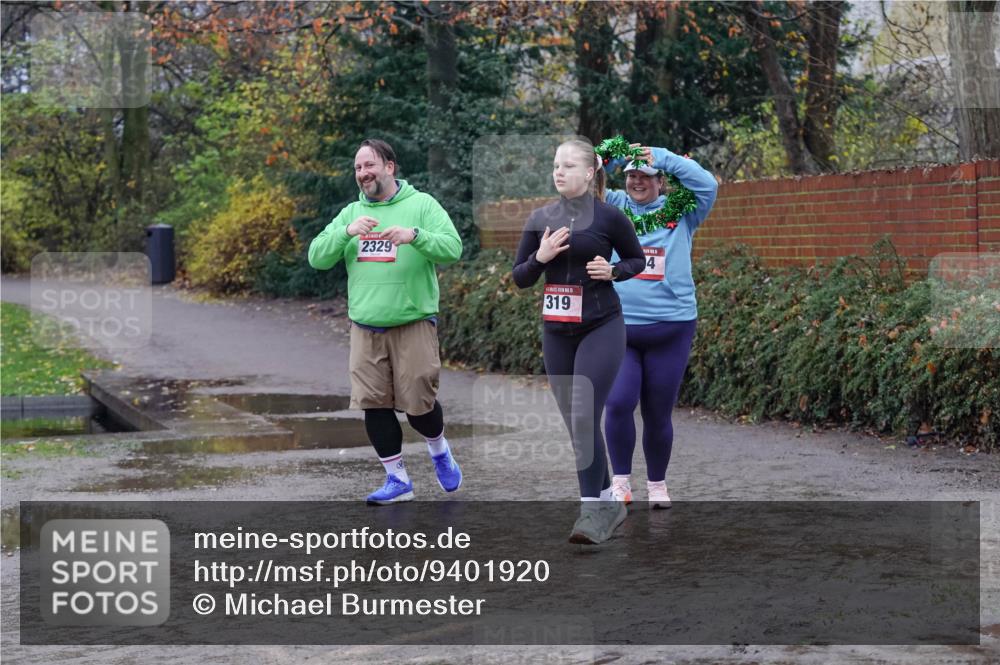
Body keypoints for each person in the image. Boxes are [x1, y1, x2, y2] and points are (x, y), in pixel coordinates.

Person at [308, 138, 463, 505]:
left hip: (413, 322)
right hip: (366, 327)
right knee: (374, 404)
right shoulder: (351, 213)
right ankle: (397, 480)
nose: (363, 173)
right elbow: (316, 257)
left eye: (369, 165)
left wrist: (415, 236)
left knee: (419, 404)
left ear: (389, 167)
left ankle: (439, 450)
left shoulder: (421, 205)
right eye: (358, 168)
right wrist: (346, 232)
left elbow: (453, 248)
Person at [512, 138, 646, 544]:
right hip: (556, 332)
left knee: (585, 414)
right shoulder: (540, 218)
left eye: (569, 166)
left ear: (589, 173)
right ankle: (608, 502)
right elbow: (520, 277)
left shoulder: (609, 217)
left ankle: (591, 511)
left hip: (601, 326)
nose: (559, 171)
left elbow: (637, 259)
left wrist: (614, 271)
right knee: (577, 423)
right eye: (556, 165)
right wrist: (541, 257)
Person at [602, 143, 718, 508]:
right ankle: (621, 482)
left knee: (657, 411)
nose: (637, 182)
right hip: (619, 326)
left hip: (672, 327)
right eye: (632, 175)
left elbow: (708, 184)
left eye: (646, 176)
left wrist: (661, 155)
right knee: (618, 402)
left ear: (660, 181)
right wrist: (606, 154)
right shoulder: (613, 207)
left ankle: (657, 484)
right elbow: (582, 181)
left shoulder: (683, 211)